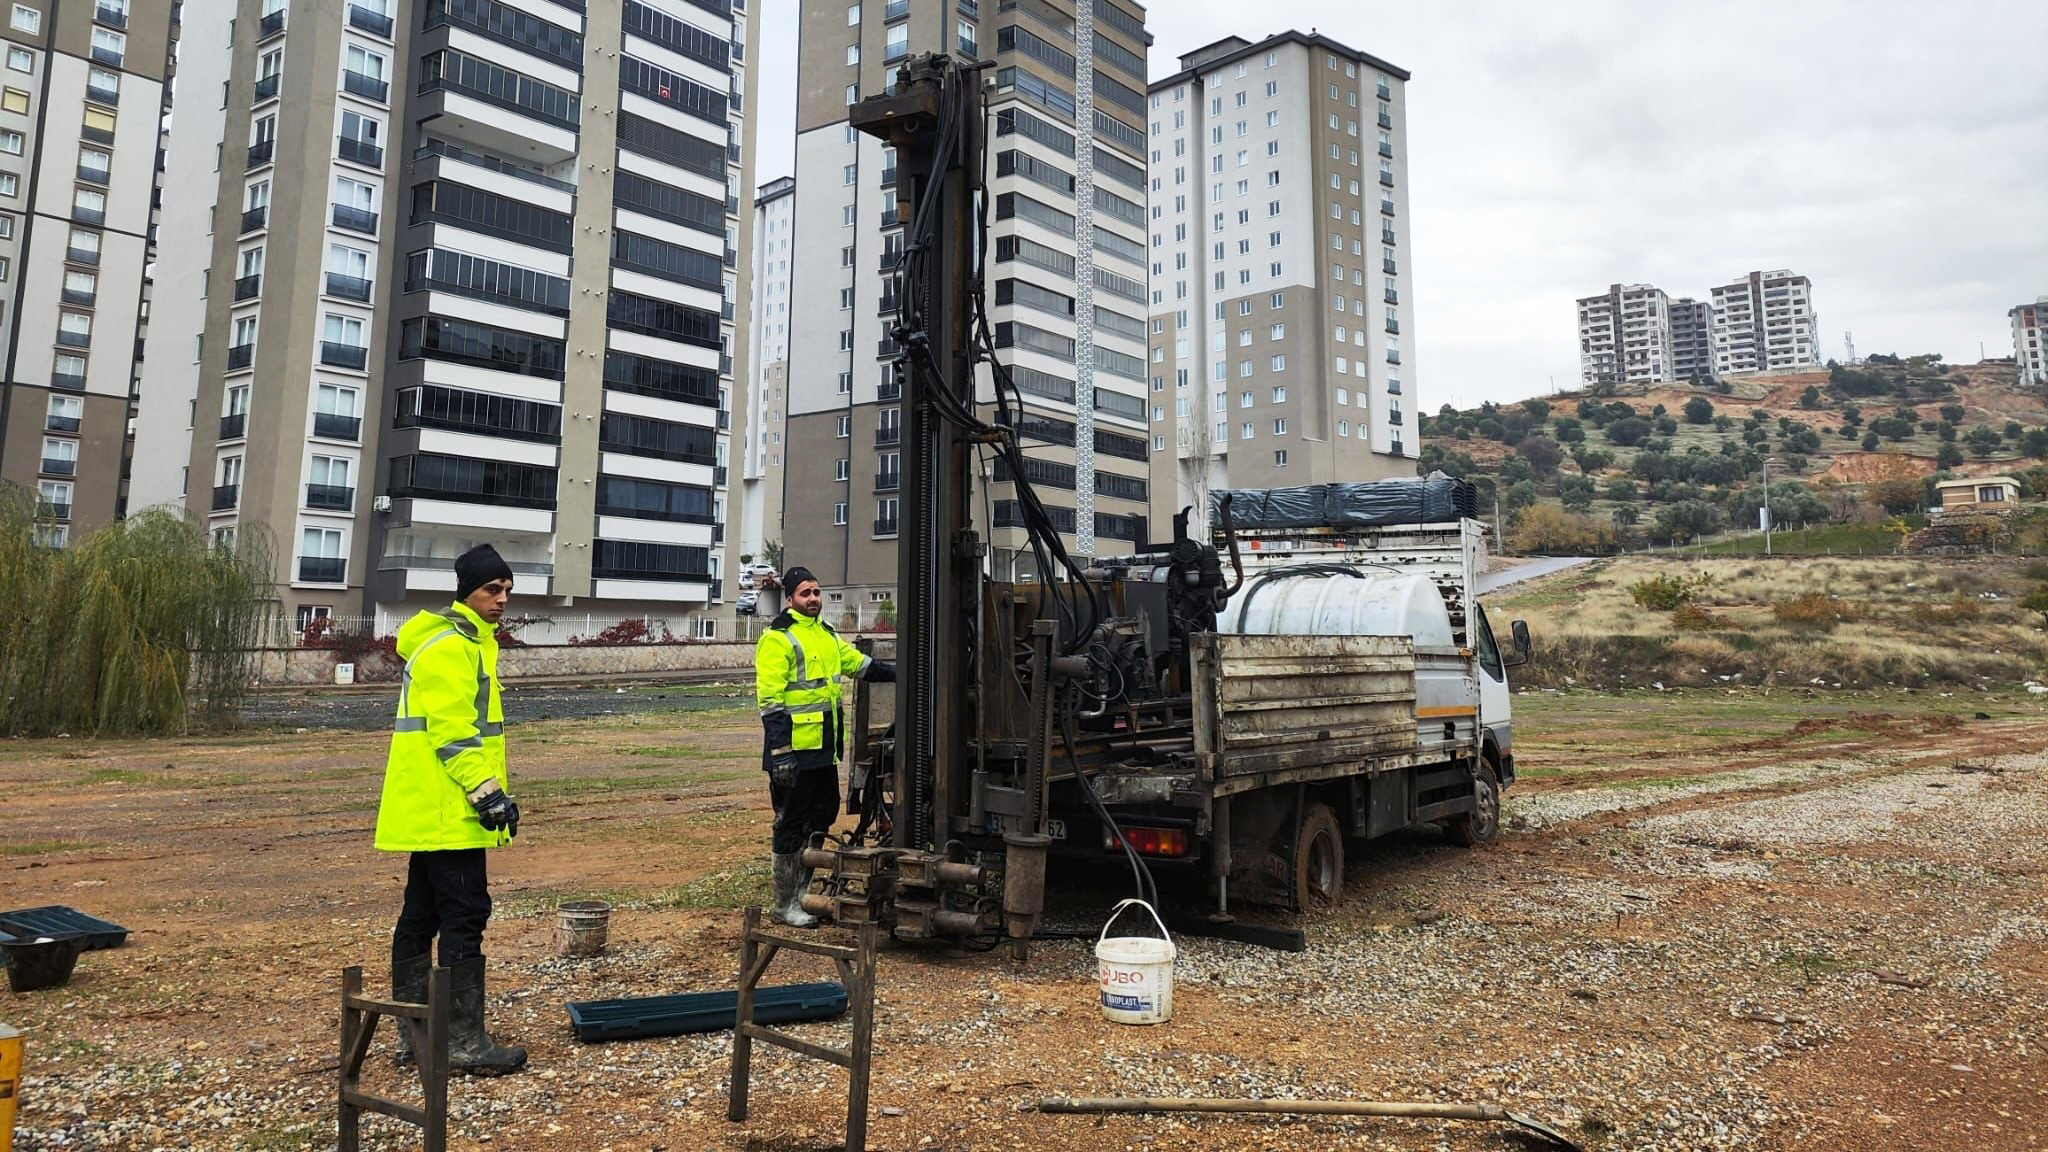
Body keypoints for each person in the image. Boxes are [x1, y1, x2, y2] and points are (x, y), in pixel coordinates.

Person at [374, 544, 527, 1075]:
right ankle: (461, 1043)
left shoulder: (466, 643)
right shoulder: (450, 647)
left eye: (507, 589)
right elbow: (454, 733)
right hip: (449, 809)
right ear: (467, 591)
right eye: (492, 589)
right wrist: (487, 793)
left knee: (421, 916)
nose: (502, 599)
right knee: (464, 914)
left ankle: (414, 1035)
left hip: (434, 808)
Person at [755, 566, 895, 927]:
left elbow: (860, 666)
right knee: (791, 824)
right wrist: (780, 752)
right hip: (794, 755)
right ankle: (784, 904)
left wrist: (906, 671)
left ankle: (802, 895)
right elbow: (770, 702)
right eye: (805, 593)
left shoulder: (827, 635)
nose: (813, 598)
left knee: (823, 816)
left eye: (817, 592)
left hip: (824, 751)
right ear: (790, 599)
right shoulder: (778, 639)